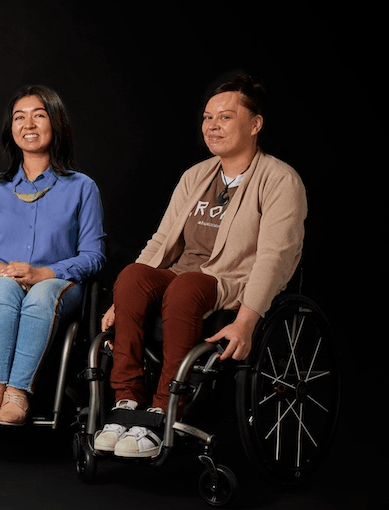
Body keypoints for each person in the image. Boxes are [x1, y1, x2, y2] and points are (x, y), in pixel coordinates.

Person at [94, 74, 307, 459]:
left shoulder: (279, 180)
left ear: (255, 124)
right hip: (181, 276)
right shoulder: (196, 176)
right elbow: (161, 242)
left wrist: (246, 321)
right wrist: (121, 303)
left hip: (230, 280)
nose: (212, 126)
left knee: (188, 285)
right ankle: (125, 403)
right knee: (131, 277)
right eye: (208, 118)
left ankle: (164, 408)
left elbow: (275, 257)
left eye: (225, 117)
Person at [0, 85, 106, 428]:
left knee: (41, 293)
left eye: (39, 115)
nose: (29, 123)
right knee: (2, 289)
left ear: (56, 124)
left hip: (56, 287)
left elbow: (94, 256)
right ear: (11, 129)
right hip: (0, 285)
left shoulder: (82, 187)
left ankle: (17, 393)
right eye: (19, 116)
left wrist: (45, 272)